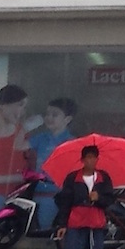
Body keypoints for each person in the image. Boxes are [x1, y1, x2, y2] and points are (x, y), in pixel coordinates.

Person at [53, 144, 115, 249]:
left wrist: (98, 198)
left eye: (94, 158)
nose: (91, 161)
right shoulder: (73, 178)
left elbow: (110, 199)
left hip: (96, 224)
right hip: (76, 222)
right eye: (88, 157)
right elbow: (65, 201)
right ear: (82, 159)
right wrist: (62, 224)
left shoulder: (103, 178)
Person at [26, 98, 77, 230]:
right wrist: (26, 127)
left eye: (55, 114)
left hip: (58, 194)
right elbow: (17, 146)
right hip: (38, 191)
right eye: (47, 114)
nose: (49, 117)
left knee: (53, 230)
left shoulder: (72, 142)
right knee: (40, 228)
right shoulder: (41, 137)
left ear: (67, 119)